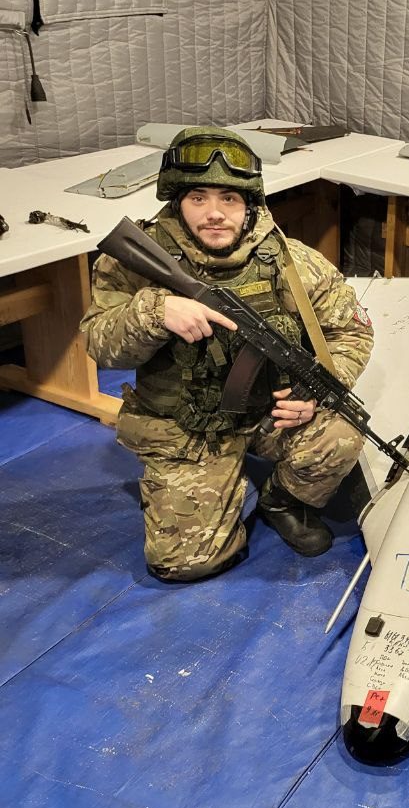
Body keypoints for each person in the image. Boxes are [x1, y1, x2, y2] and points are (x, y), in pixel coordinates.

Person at [81, 126, 373, 583]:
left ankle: (281, 499)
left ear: (250, 204)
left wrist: (312, 394)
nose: (215, 213)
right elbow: (98, 343)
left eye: (229, 199)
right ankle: (211, 485)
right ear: (177, 201)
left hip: (268, 414)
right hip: (187, 426)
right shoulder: (134, 261)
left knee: (343, 433)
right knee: (185, 564)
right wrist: (153, 312)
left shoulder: (290, 261)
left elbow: (351, 332)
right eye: (198, 198)